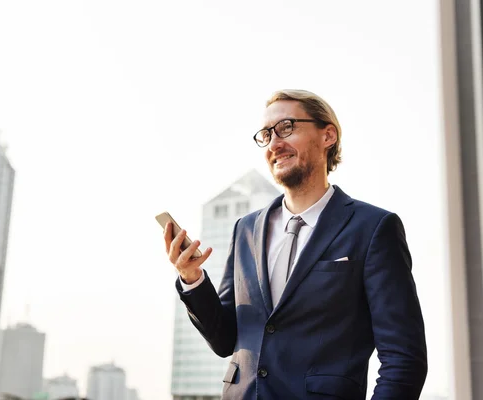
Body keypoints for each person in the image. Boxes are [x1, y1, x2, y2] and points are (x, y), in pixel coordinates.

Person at [163, 90, 428, 400]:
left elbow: (403, 358)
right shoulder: (246, 229)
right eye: (266, 134)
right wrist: (193, 278)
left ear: (328, 135)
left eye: (286, 127)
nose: (274, 143)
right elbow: (225, 340)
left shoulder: (373, 228)